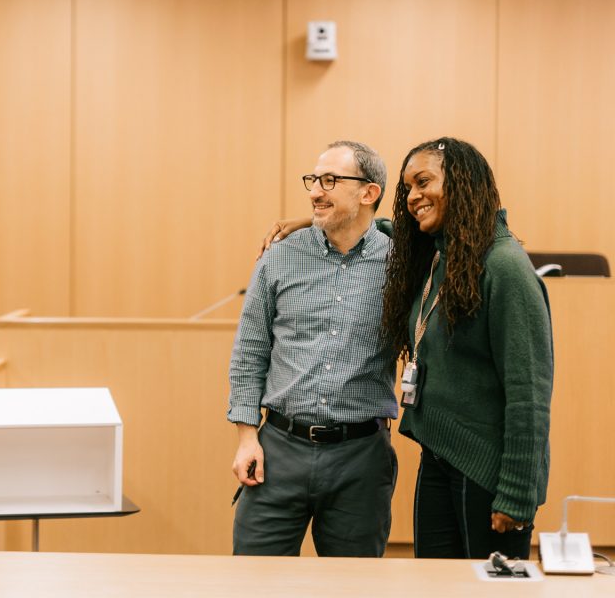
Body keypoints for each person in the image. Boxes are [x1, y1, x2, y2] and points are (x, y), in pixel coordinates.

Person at [381, 137, 552, 559]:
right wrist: (314, 223)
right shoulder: (443, 258)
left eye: (424, 182)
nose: (413, 198)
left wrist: (516, 494)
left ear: (461, 183)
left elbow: (528, 394)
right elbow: (386, 228)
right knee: (433, 586)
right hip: (438, 457)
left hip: (487, 472)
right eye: (408, 190)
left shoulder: (504, 266)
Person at [228, 140, 398, 557]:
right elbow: (250, 351)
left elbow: (425, 233)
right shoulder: (279, 258)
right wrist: (247, 437)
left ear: (368, 193)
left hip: (361, 457)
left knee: (352, 589)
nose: (315, 191)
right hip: (278, 451)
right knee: (253, 583)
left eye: (329, 180)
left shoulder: (400, 265)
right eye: (313, 180)